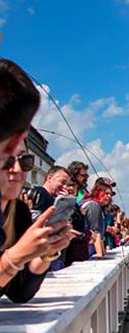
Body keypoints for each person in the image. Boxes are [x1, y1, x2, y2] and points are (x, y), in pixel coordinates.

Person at [0, 58, 74, 301]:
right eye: (7, 159)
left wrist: (45, 252)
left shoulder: (17, 212)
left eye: (25, 161)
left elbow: (20, 291)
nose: (17, 170)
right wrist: (14, 258)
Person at [81, 180, 113, 257]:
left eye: (110, 194)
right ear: (98, 192)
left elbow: (100, 236)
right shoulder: (93, 205)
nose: (109, 196)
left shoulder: (100, 208)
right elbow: (95, 231)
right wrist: (100, 254)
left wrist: (103, 253)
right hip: (87, 249)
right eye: (106, 193)